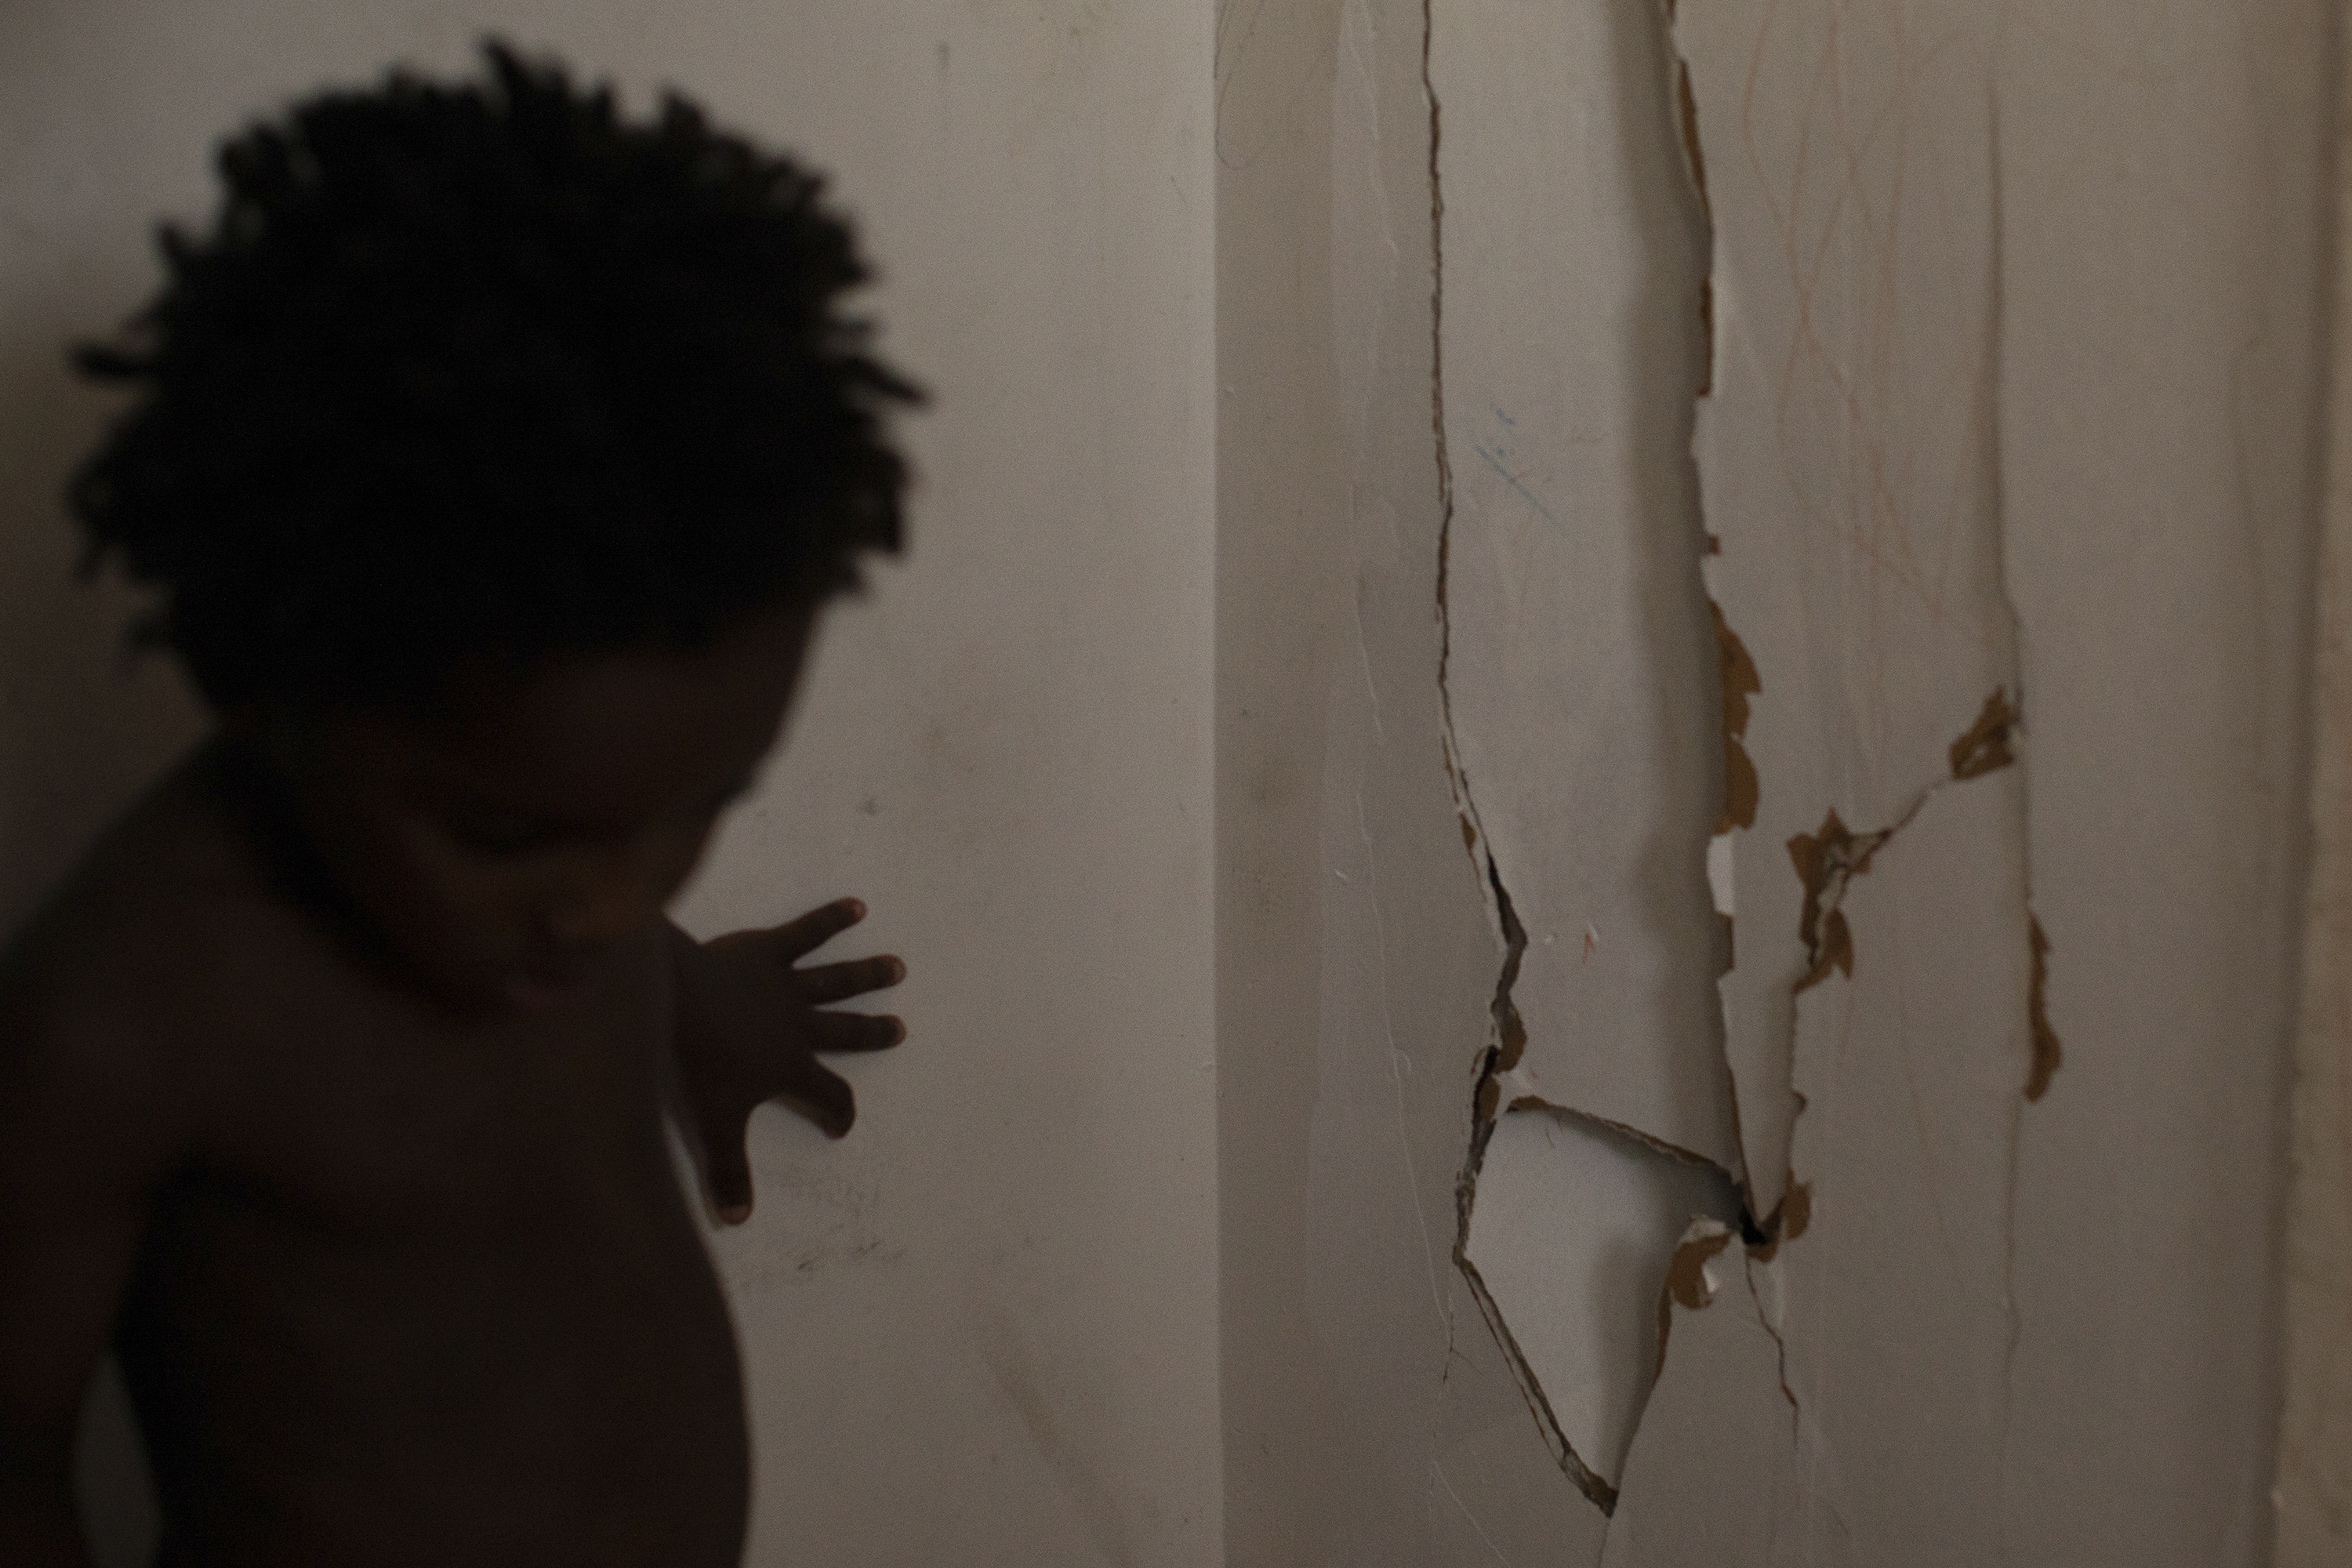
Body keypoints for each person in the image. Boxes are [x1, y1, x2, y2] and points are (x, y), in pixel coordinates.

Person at [0, 41, 918, 1566]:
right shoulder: (138, 1013)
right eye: (513, 833)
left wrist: (702, 1002)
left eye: (700, 805)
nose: (617, 901)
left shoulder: (521, 890)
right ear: (262, 681)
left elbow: (601, 897)